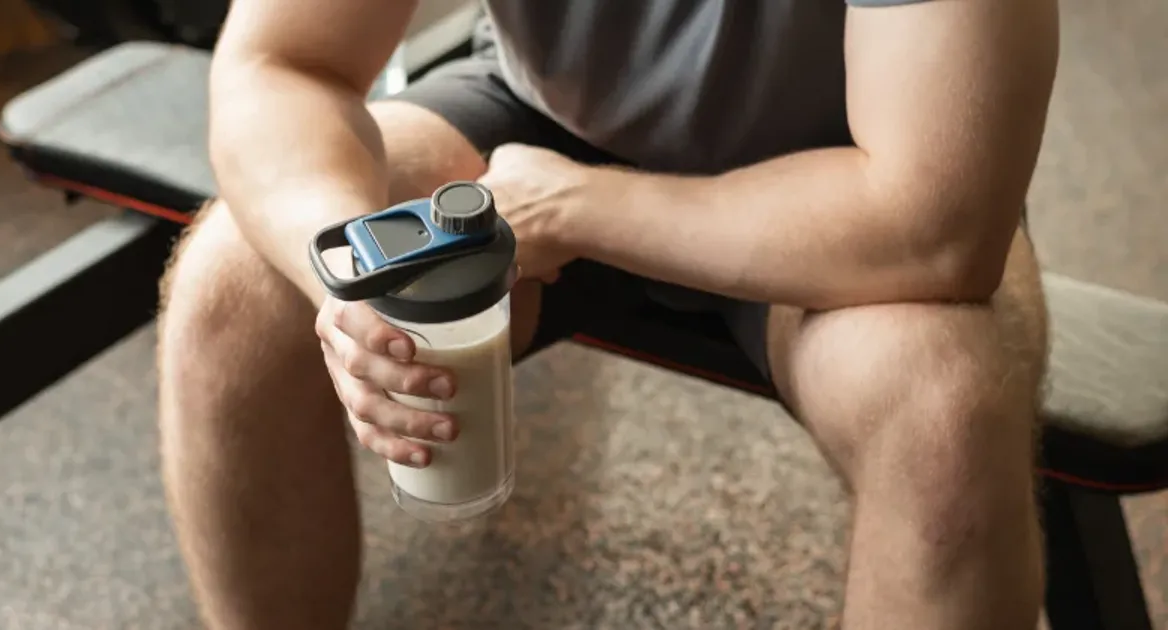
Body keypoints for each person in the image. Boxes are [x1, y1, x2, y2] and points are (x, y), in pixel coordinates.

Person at [157, 0, 1060, 627]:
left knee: (944, 417)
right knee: (231, 289)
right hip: (546, 119)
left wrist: (575, 210)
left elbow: (934, 225)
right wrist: (347, 276)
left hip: (845, 178)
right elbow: (285, 62)